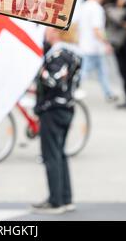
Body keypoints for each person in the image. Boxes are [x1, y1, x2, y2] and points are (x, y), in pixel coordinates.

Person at [32, 26, 81, 214]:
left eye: (48, 29)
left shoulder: (58, 54)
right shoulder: (72, 53)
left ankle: (56, 201)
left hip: (53, 109)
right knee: (60, 153)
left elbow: (53, 80)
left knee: (51, 155)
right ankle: (65, 198)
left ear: (56, 32)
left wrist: (39, 70)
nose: (45, 32)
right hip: (67, 107)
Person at [78, 0, 117, 102]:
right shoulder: (96, 8)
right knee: (84, 71)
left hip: (84, 44)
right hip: (94, 46)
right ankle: (73, 89)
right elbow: (97, 29)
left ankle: (108, 93)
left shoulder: (83, 6)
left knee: (101, 71)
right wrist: (106, 43)